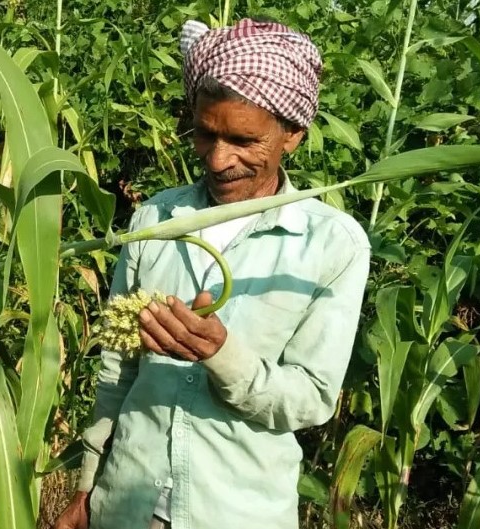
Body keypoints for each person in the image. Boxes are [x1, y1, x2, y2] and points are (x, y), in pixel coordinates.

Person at [56, 17, 371, 529]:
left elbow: (312, 398)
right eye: (206, 133)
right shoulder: (154, 221)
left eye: (245, 141)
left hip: (235, 513)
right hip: (126, 506)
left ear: (292, 135)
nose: (219, 158)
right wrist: (87, 485)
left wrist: (222, 355)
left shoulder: (331, 244)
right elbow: (117, 372)